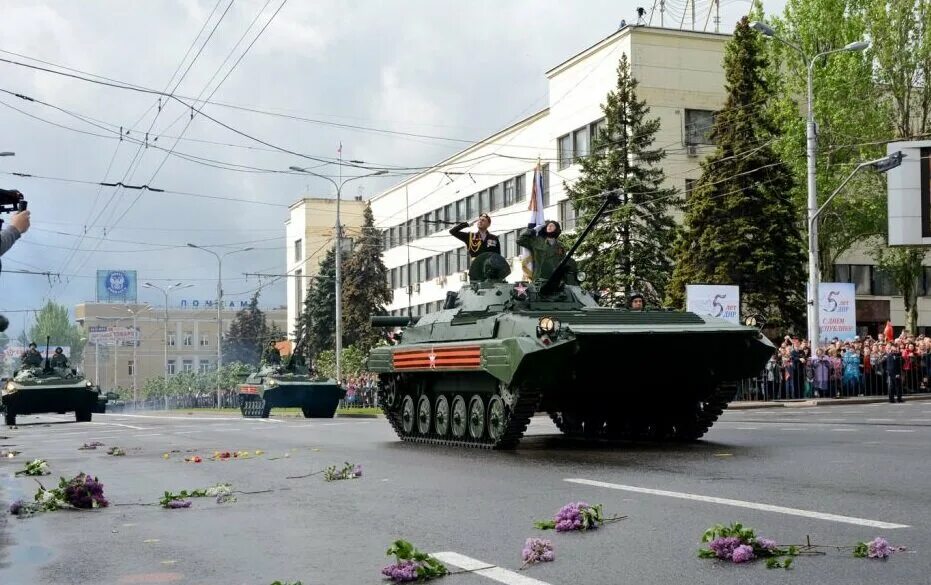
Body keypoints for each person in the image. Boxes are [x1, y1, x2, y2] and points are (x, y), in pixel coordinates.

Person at [517, 219, 579, 284]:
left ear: (556, 229)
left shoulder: (560, 246)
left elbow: (563, 262)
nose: (549, 227)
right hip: (539, 279)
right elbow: (520, 240)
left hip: (555, 279)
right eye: (548, 226)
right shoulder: (538, 242)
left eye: (552, 226)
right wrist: (534, 230)